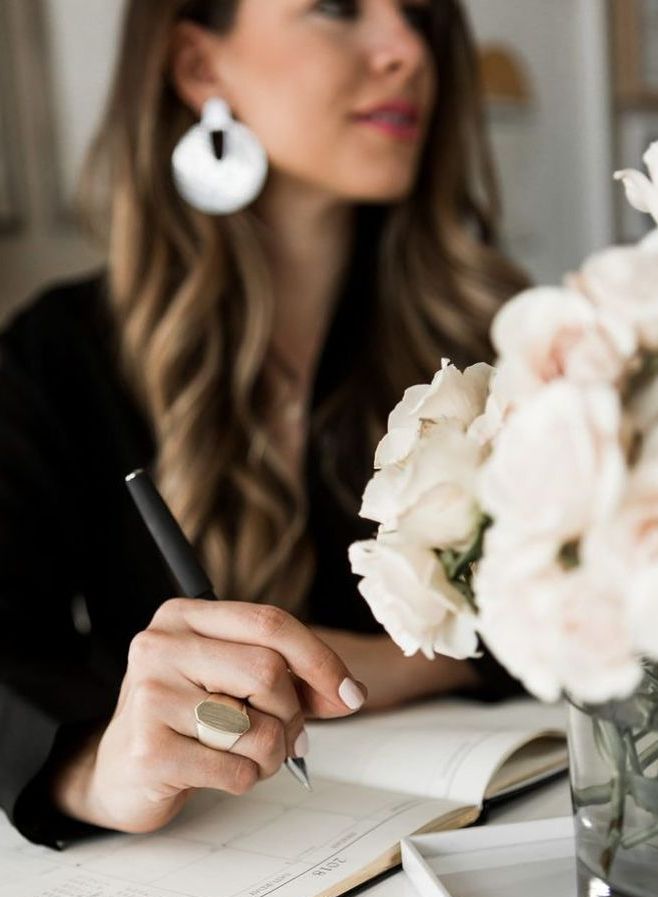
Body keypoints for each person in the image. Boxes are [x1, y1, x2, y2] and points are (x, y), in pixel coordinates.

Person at [0, 0, 528, 851]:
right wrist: (96, 770)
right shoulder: (53, 358)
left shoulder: (499, 343)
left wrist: (386, 663)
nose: (407, 49)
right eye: (338, 7)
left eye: (420, 14)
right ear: (199, 66)